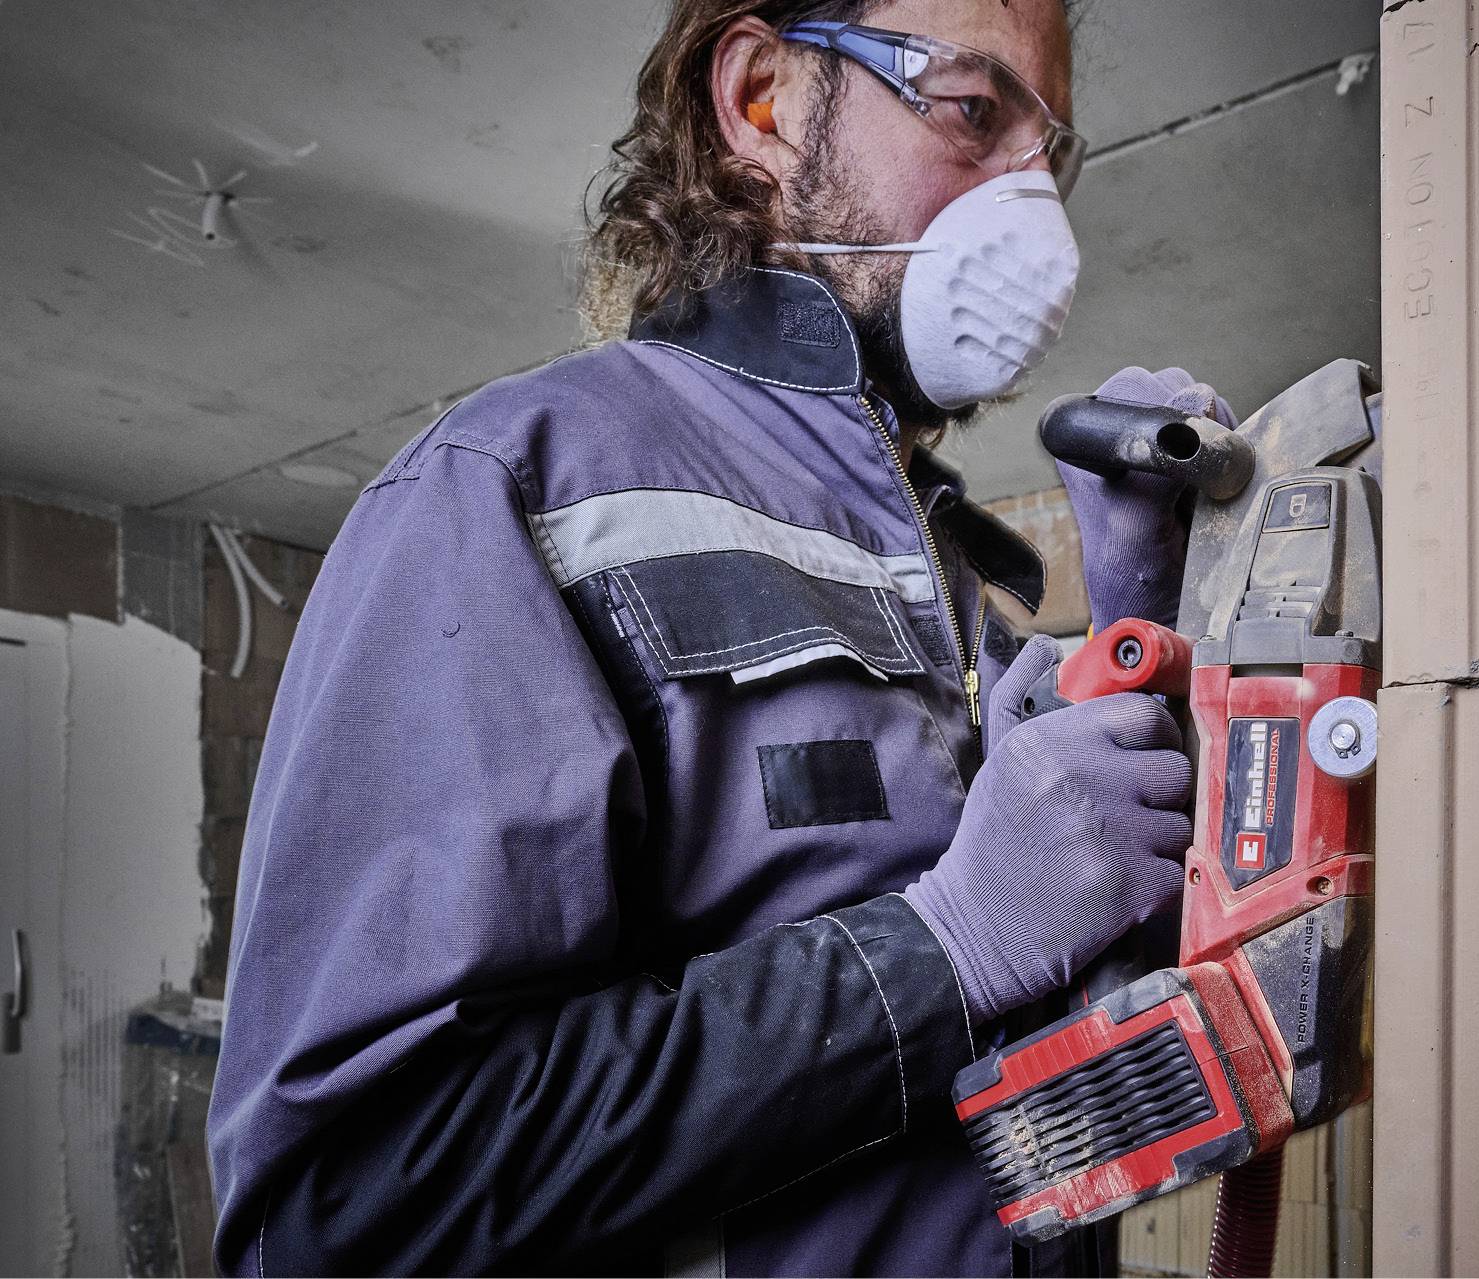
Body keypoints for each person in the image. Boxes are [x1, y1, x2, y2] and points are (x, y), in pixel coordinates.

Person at [208, 0, 1229, 1273]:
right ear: (761, 98)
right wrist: (945, 950)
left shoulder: (955, 574)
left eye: (1050, 155)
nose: (1035, 212)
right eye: (974, 112)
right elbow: (352, 1207)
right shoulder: (512, 487)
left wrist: (1143, 624)